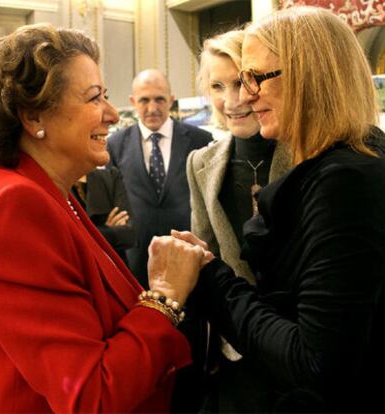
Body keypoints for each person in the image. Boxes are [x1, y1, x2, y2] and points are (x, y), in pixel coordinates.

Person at [148, 6, 385, 412]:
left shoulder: (344, 180)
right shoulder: (344, 165)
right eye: (232, 83)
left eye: (255, 77)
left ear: (310, 76)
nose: (243, 95)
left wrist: (211, 277)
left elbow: (315, 361)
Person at [0, 23, 207, 413]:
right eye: (94, 98)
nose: (114, 115)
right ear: (33, 116)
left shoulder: (44, 191)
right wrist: (165, 295)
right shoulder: (13, 209)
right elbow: (90, 396)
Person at [186, 29, 291, 413]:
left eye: (240, 82)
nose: (231, 101)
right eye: (217, 85)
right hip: (236, 352)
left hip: (302, 346)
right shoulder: (200, 164)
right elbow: (207, 255)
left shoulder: (310, 151)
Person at [107, 69, 212, 289]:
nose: (152, 108)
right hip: (136, 263)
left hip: (188, 258)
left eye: (160, 99)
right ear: (133, 101)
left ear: (171, 101)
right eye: (144, 100)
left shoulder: (200, 140)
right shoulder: (115, 145)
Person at [71, 166, 135, 262]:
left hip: (115, 265)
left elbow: (129, 235)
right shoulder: (57, 184)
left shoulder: (110, 176)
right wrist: (109, 230)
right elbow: (71, 240)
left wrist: (95, 232)